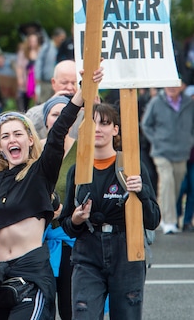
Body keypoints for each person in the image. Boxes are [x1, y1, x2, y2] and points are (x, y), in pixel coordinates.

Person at [0, 67, 103, 320]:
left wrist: (81, 93)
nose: (11, 139)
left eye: (18, 134)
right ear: (1, 146)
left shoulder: (40, 173)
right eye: (5, 136)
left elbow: (59, 130)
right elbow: (2, 226)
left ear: (30, 139)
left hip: (30, 275)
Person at [61, 103, 160, 319]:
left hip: (126, 250)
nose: (98, 129)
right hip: (87, 252)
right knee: (84, 314)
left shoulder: (132, 165)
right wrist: (77, 219)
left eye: (105, 123)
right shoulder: (77, 170)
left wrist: (141, 191)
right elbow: (66, 225)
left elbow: (153, 219)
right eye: (92, 123)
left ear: (115, 129)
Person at [140, 84, 194, 234]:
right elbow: (145, 124)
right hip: (161, 151)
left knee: (175, 186)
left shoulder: (189, 103)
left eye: (176, 84)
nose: (172, 87)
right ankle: (169, 222)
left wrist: (189, 141)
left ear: (182, 86)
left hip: (182, 152)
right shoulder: (156, 101)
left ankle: (161, 216)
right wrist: (156, 140)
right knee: (167, 181)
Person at [40, 94, 75, 320]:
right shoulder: (33, 151)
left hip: (71, 239)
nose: (60, 118)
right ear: (46, 120)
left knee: (70, 306)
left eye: (64, 113)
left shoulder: (83, 151)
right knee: (43, 309)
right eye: (54, 114)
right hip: (38, 240)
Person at [26, 60, 82, 140]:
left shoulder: (84, 112)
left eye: (74, 83)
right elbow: (26, 132)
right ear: (53, 83)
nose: (69, 88)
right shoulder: (36, 112)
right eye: (64, 83)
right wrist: (48, 107)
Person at [35, 28, 66, 104]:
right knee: (43, 101)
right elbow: (39, 61)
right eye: (61, 39)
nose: (62, 41)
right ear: (55, 37)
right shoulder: (47, 47)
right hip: (46, 81)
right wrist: (37, 76)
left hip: (56, 81)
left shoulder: (62, 49)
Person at [14, 32, 41, 111]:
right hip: (26, 80)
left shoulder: (40, 52)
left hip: (36, 81)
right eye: (31, 41)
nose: (33, 43)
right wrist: (20, 78)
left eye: (34, 41)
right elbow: (19, 66)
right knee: (23, 101)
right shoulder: (23, 53)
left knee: (37, 102)